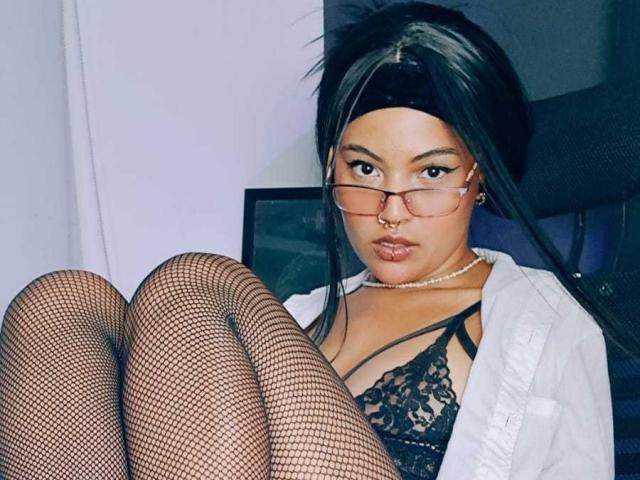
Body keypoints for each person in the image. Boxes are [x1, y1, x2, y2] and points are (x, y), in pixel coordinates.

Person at [0, 2, 616, 479]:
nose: (391, 211)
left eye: (431, 173)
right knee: (61, 303)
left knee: (195, 282)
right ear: (330, 165)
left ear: (478, 176)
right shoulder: (296, 316)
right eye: (365, 169)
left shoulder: (543, 319)